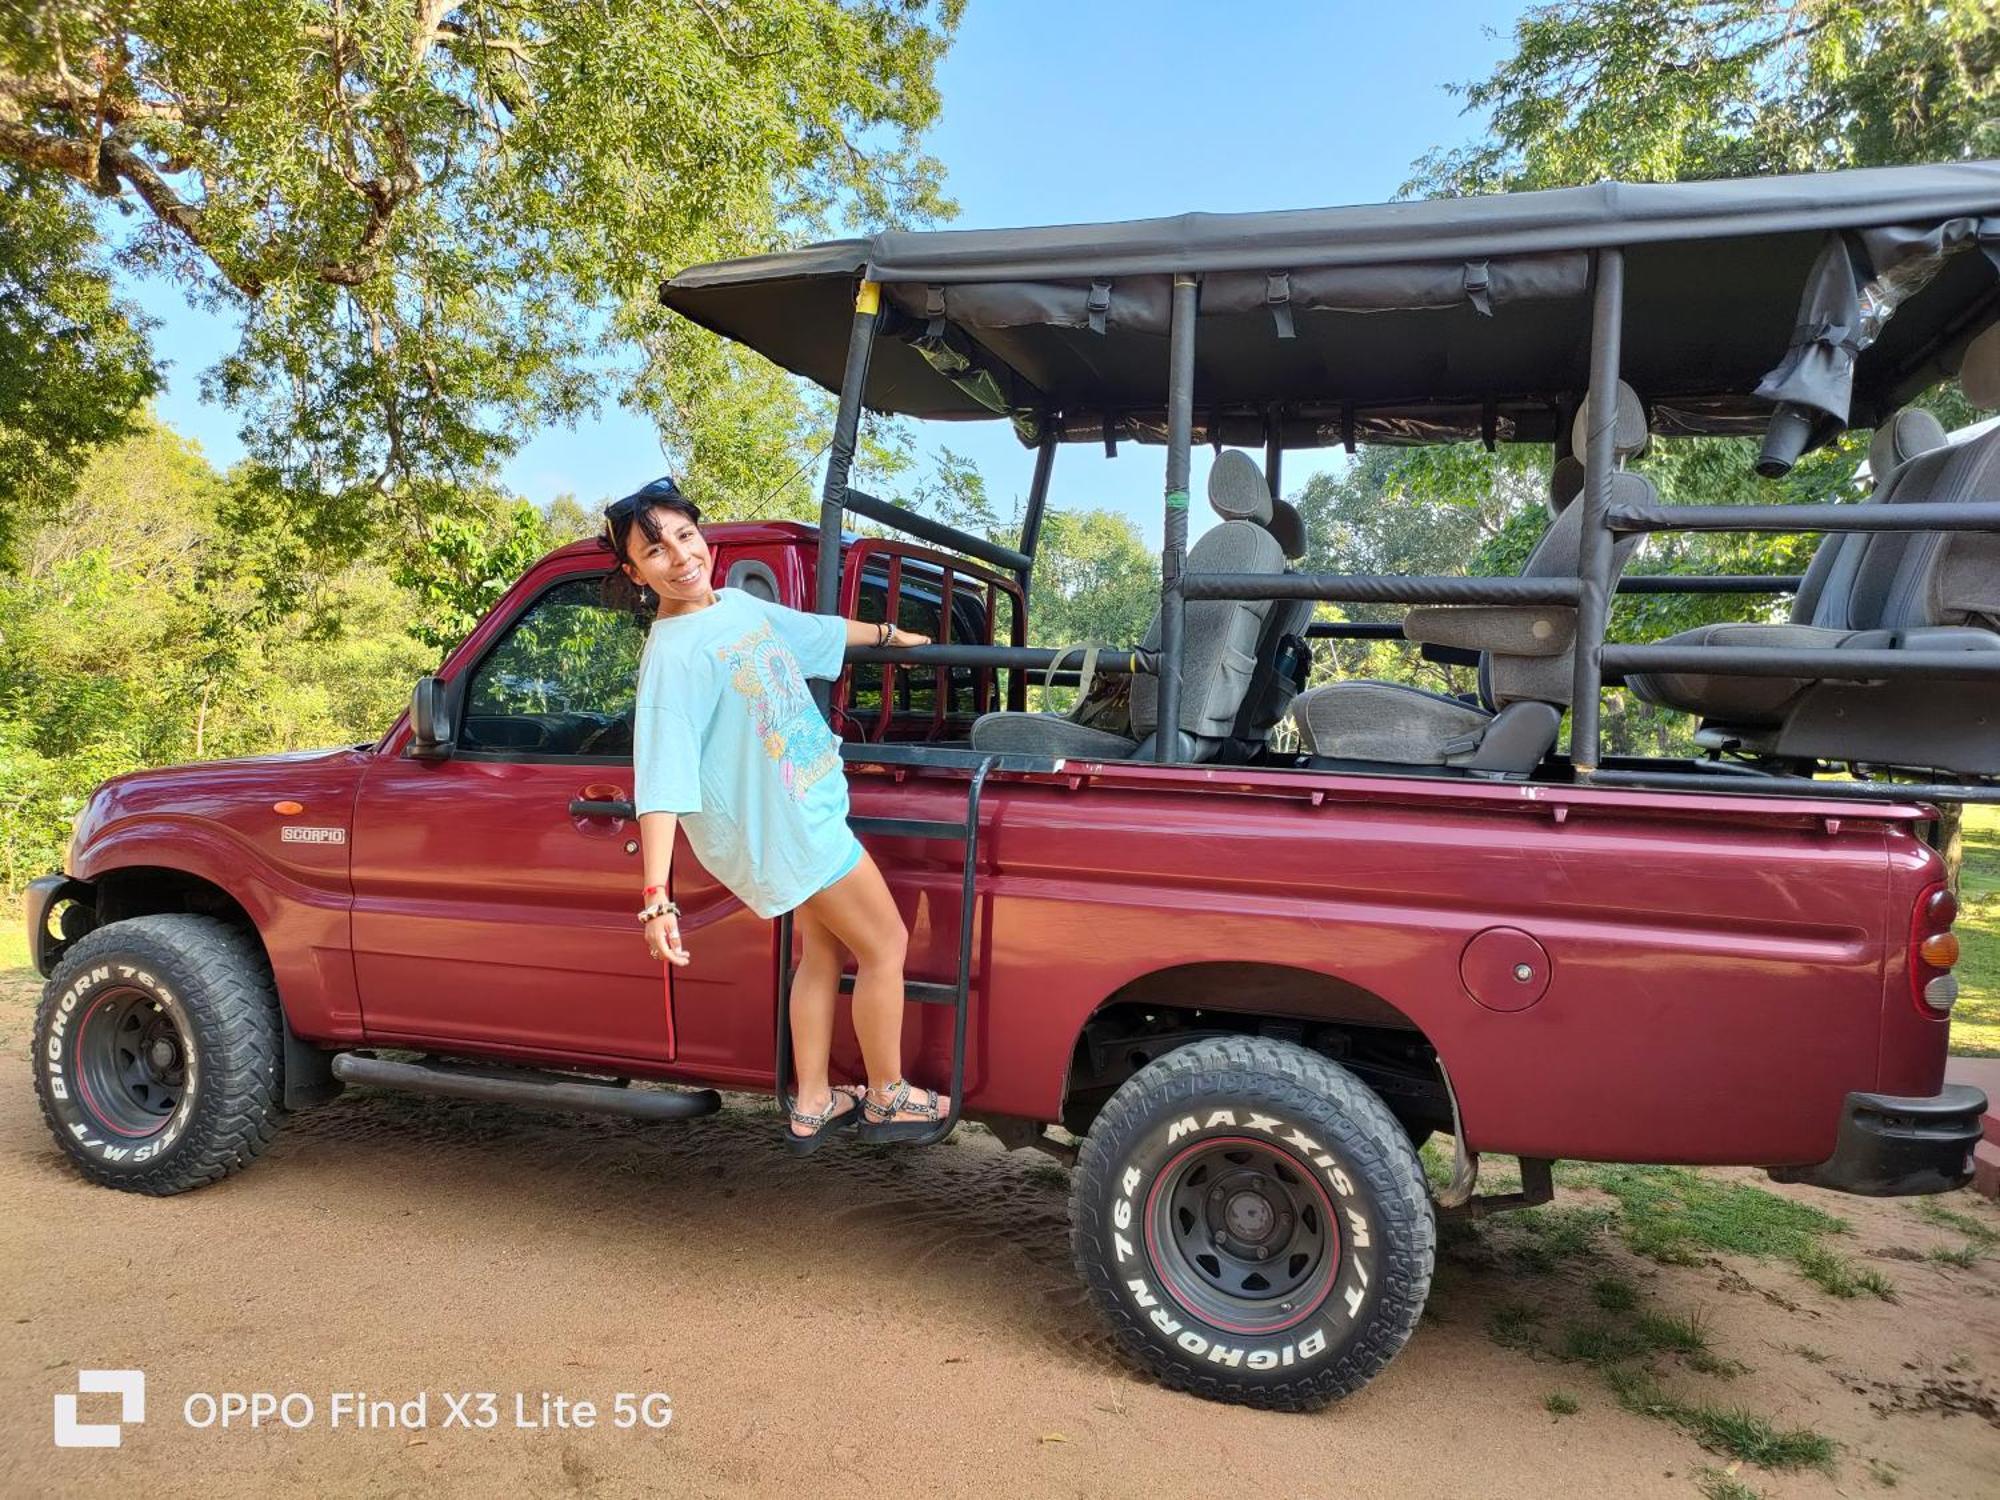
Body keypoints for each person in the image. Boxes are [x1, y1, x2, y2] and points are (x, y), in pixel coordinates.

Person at [601, 476, 948, 1153]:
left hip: (799, 809)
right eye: (656, 551)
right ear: (634, 572)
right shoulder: (672, 658)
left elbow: (811, 632)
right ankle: (888, 1096)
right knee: (885, 947)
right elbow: (662, 782)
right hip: (788, 830)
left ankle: (813, 1100)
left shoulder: (732, 605)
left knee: (821, 953)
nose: (680, 556)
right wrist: (656, 898)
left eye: (685, 535)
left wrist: (887, 634)